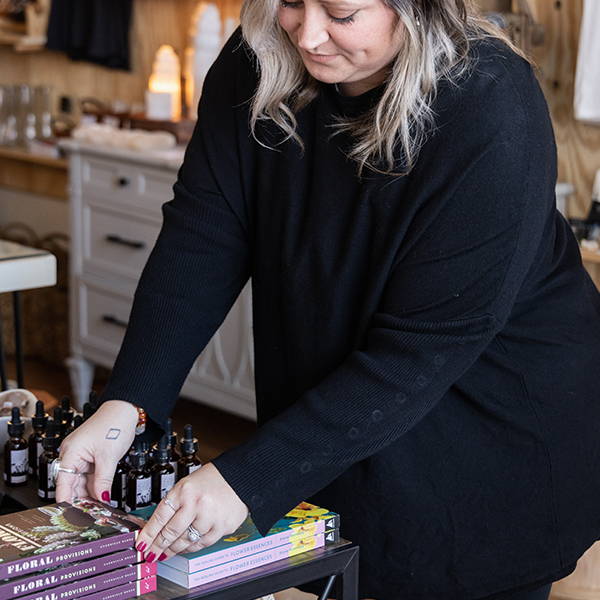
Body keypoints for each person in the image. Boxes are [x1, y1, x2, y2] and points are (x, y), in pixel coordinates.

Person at [55, 0, 600, 598]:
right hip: (349, 405)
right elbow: (203, 236)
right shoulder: (257, 60)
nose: (308, 35)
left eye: (341, 13)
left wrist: (248, 478)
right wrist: (129, 403)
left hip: (490, 418)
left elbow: (428, 345)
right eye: (289, 1)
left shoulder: (489, 100)